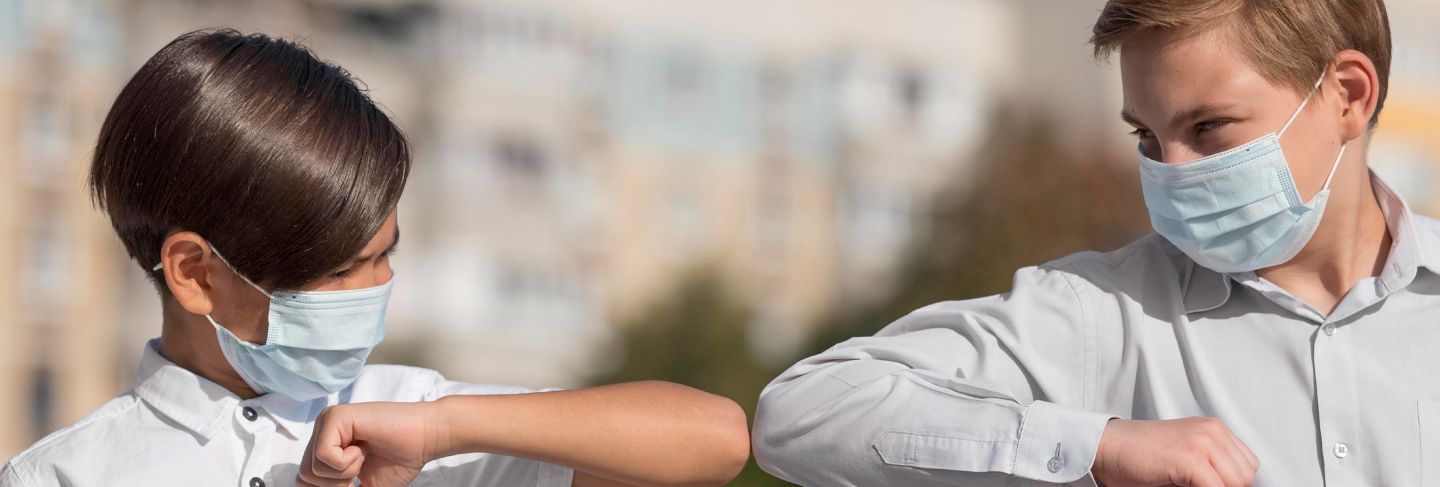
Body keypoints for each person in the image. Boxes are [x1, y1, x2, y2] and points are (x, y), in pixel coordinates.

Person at [0, 29, 749, 487]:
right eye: (338, 269)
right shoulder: (62, 474)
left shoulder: (412, 420)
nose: (379, 287)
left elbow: (715, 439)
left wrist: (447, 428)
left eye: (386, 254)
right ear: (197, 273)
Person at [753, 1, 1423, 486]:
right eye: (1148, 138)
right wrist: (1094, 445)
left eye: (1209, 126)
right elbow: (802, 411)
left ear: (1349, 96)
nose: (1173, 173)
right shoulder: (1102, 310)